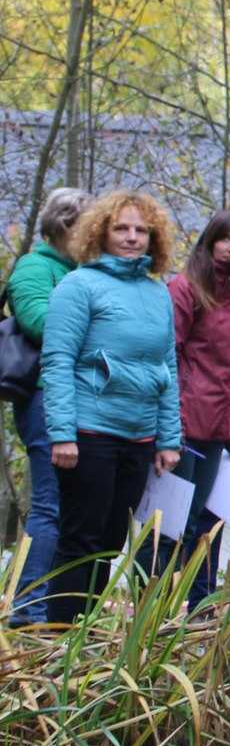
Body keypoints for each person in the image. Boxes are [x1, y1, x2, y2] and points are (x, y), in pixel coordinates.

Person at [39, 190, 182, 624]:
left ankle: (85, 639)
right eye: (122, 227)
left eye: (141, 229)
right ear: (100, 231)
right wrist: (62, 433)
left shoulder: (158, 294)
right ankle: (58, 639)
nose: (132, 237)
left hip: (138, 438)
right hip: (88, 433)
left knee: (111, 543)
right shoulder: (78, 285)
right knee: (80, 540)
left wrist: (169, 438)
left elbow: (168, 368)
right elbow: (57, 359)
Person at [164, 207, 230, 603]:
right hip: (182, 426)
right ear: (210, 240)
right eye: (227, 239)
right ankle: (153, 617)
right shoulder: (185, 289)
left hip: (216, 430)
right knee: (170, 526)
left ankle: (188, 612)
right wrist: (168, 429)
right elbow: (166, 358)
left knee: (201, 525)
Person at [5, 187, 87, 624]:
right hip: (41, 398)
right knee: (49, 506)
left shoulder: (83, 272)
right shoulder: (34, 268)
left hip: (80, 398)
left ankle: (57, 608)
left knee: (73, 510)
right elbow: (39, 323)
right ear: (64, 226)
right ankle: (27, 610)